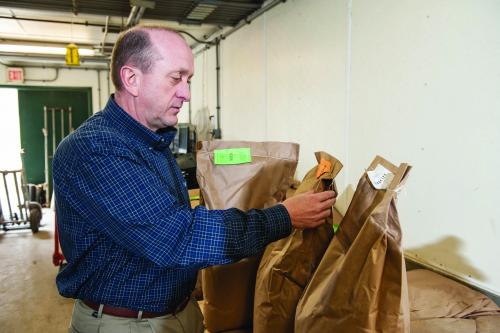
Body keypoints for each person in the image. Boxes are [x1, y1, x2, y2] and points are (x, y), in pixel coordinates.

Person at [53, 24, 336, 333]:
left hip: (174, 313)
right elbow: (179, 239)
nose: (186, 93)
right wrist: (283, 217)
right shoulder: (97, 149)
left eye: (188, 80)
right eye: (176, 78)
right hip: (125, 323)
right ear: (132, 79)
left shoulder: (151, 142)